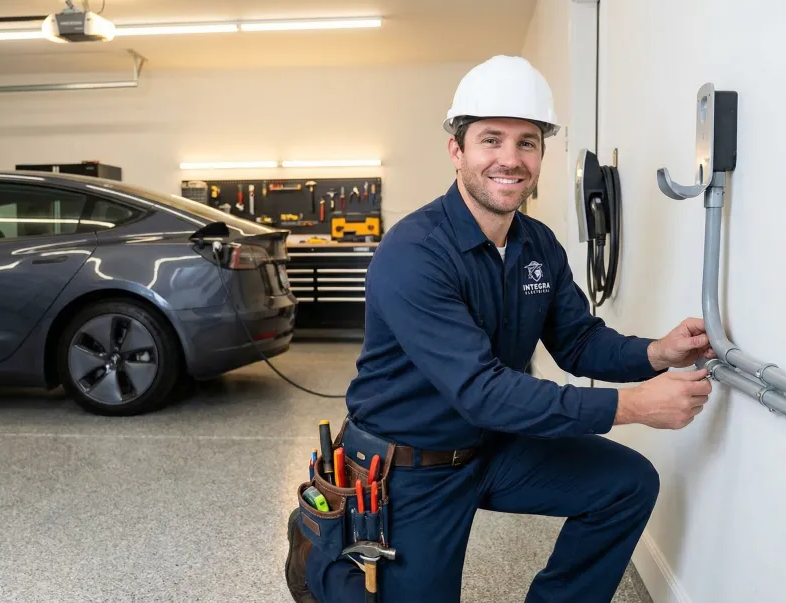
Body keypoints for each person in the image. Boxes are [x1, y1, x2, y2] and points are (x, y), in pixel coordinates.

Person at [286, 55, 715, 603]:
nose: (510, 160)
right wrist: (632, 407)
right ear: (457, 150)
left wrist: (658, 352)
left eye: (527, 142)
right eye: (492, 140)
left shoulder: (537, 244)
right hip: (408, 468)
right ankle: (322, 561)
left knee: (626, 484)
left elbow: (578, 340)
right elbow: (482, 391)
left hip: (490, 448)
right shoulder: (414, 253)